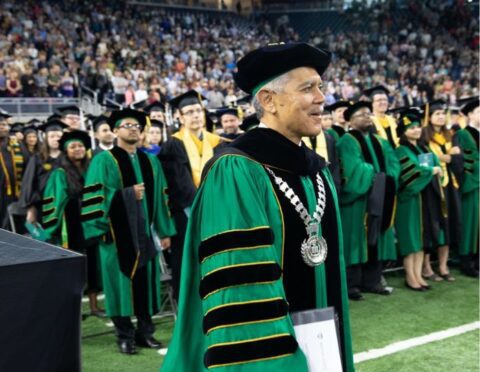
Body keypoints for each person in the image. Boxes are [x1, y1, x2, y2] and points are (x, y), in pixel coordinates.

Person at [162, 43, 354, 372]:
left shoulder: (316, 169)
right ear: (268, 101)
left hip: (325, 344)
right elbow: (241, 290)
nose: (322, 98)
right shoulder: (237, 170)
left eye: (321, 86)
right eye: (308, 88)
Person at [81, 108, 176, 354]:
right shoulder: (104, 160)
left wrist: (164, 232)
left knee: (145, 283)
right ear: (115, 131)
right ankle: (124, 336)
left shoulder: (150, 161)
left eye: (137, 126)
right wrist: (127, 195)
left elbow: (163, 196)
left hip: (146, 234)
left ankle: (145, 333)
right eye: (127, 126)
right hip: (116, 236)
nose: (133, 129)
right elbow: (96, 196)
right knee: (119, 283)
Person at [159, 90, 222, 300]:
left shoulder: (217, 142)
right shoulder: (173, 144)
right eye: (189, 112)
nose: (195, 115)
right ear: (180, 117)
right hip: (186, 214)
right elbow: (178, 183)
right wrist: (199, 205)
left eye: (198, 110)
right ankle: (190, 302)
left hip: (215, 210)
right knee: (188, 259)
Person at [337, 101, 400, 300]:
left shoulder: (380, 141)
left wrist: (386, 178)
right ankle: (352, 285)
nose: (367, 117)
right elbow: (352, 168)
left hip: (380, 197)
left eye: (368, 114)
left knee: (376, 238)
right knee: (356, 240)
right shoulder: (346, 141)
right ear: (351, 120)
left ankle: (373, 281)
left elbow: (393, 164)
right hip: (358, 201)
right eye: (362, 115)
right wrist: (376, 175)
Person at [41, 130, 104, 316]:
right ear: (66, 151)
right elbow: (54, 201)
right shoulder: (59, 173)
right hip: (71, 225)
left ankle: (93, 306)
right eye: (73, 146)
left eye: (81, 146)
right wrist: (53, 227)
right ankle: (73, 307)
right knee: (73, 267)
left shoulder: (92, 169)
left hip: (90, 224)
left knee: (92, 265)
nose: (78, 149)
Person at [394, 109, 443, 291]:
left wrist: (434, 169)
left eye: (417, 127)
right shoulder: (401, 150)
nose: (416, 130)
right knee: (411, 239)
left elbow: (437, 164)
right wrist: (431, 171)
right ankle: (410, 277)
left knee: (421, 239)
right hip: (409, 201)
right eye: (411, 127)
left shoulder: (423, 148)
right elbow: (411, 174)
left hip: (425, 199)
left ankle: (419, 275)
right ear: (403, 131)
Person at [421, 100, 462, 282]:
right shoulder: (423, 136)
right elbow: (424, 160)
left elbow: (457, 159)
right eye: (436, 114)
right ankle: (427, 267)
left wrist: (450, 157)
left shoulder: (450, 135)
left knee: (447, 224)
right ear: (429, 117)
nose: (440, 116)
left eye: (442, 114)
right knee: (431, 225)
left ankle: (444, 266)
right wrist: (444, 157)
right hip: (432, 185)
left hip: (448, 185)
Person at [21, 120, 66, 225]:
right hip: (42, 206)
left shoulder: (68, 158)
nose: (56, 139)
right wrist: (31, 208)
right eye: (52, 136)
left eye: (59, 136)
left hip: (65, 206)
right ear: (46, 138)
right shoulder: (37, 158)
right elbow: (29, 184)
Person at [453, 98, 479, 277]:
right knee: (470, 223)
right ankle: (466, 260)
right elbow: (464, 162)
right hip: (471, 186)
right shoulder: (463, 135)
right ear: (469, 114)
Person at [0, 111, 28, 230]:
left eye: (4, 124)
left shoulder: (16, 144)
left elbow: (27, 166)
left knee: (13, 227)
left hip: (15, 194)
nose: (2, 127)